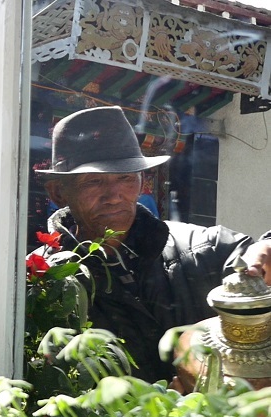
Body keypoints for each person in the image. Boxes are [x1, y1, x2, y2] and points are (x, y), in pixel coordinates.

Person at [34, 106, 271, 384]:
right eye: (94, 181)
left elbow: (253, 260)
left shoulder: (203, 248)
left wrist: (266, 249)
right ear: (58, 192)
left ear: (142, 181)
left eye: (125, 178)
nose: (114, 195)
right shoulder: (41, 280)